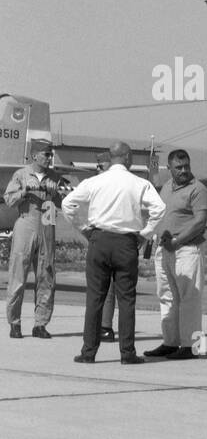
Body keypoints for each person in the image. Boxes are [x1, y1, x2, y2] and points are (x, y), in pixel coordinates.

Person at [61, 142, 166, 364]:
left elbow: (68, 203)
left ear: (111, 157)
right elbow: (159, 208)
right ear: (127, 157)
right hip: (126, 243)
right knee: (126, 299)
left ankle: (88, 352)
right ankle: (127, 353)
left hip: (99, 240)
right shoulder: (139, 183)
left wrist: (84, 229)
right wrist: (144, 234)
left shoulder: (95, 181)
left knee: (95, 299)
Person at [144, 149, 207, 361]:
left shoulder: (198, 190)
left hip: (187, 250)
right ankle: (171, 342)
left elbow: (199, 222)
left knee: (190, 299)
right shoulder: (166, 188)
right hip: (165, 250)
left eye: (186, 167)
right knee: (167, 297)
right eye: (179, 167)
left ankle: (193, 347)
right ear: (169, 169)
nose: (183, 171)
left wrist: (177, 241)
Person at [4, 138, 66, 339]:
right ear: (35, 155)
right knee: (18, 276)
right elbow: (9, 199)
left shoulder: (55, 177)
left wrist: (57, 194)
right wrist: (25, 190)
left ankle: (41, 324)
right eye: (46, 154)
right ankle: (15, 323)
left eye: (50, 154)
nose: (50, 158)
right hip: (26, 224)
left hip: (47, 225)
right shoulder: (21, 174)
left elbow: (65, 203)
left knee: (46, 276)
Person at [93, 152, 118, 342]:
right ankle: (100, 325)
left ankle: (105, 326)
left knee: (108, 287)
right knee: (99, 286)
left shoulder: (116, 186)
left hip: (114, 240)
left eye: (100, 166)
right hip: (100, 238)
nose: (97, 170)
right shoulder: (97, 185)